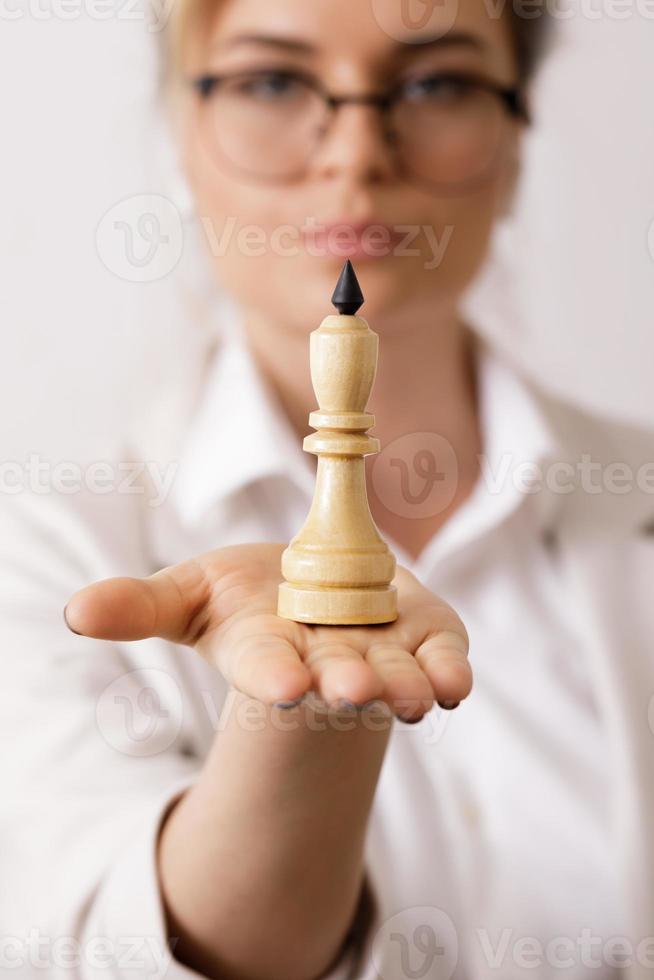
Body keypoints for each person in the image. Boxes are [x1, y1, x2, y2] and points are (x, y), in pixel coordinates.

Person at [3, 1, 654, 978]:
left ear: (517, 137)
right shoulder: (48, 550)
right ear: (182, 133)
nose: (356, 153)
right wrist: (295, 729)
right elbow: (94, 948)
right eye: (272, 80)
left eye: (436, 83)